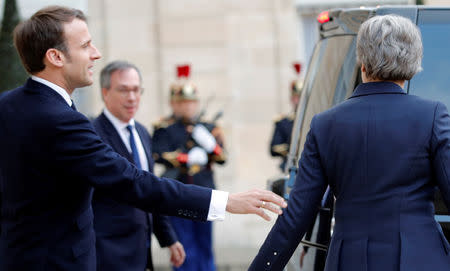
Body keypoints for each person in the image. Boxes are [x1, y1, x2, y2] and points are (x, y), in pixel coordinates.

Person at [0, 6, 286, 271]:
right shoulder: (62, 120)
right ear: (56, 57)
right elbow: (132, 181)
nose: (96, 53)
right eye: (86, 45)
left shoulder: (9, 105)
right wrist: (225, 202)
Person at [250, 15, 450, 271]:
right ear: (414, 63)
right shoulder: (432, 115)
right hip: (421, 257)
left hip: (349, 260)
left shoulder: (325, 124)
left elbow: (297, 216)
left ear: (362, 62)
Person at [92, 60, 185, 271]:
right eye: (123, 90)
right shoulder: (93, 135)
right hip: (107, 253)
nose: (132, 97)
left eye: (136, 90)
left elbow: (150, 189)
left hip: (141, 250)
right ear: (105, 92)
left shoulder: (142, 133)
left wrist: (168, 238)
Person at [152, 74, 226, 271]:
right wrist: (186, 158)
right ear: (173, 104)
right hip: (178, 192)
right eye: (183, 103)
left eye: (191, 103)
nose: (188, 107)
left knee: (205, 246)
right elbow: (157, 154)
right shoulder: (165, 128)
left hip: (206, 192)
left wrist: (210, 145)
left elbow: (222, 157)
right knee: (184, 246)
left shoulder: (209, 127)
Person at [270, 74, 303, 172]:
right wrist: (292, 148)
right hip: (290, 166)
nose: (298, 101)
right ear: (292, 99)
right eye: (296, 97)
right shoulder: (283, 122)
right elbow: (274, 148)